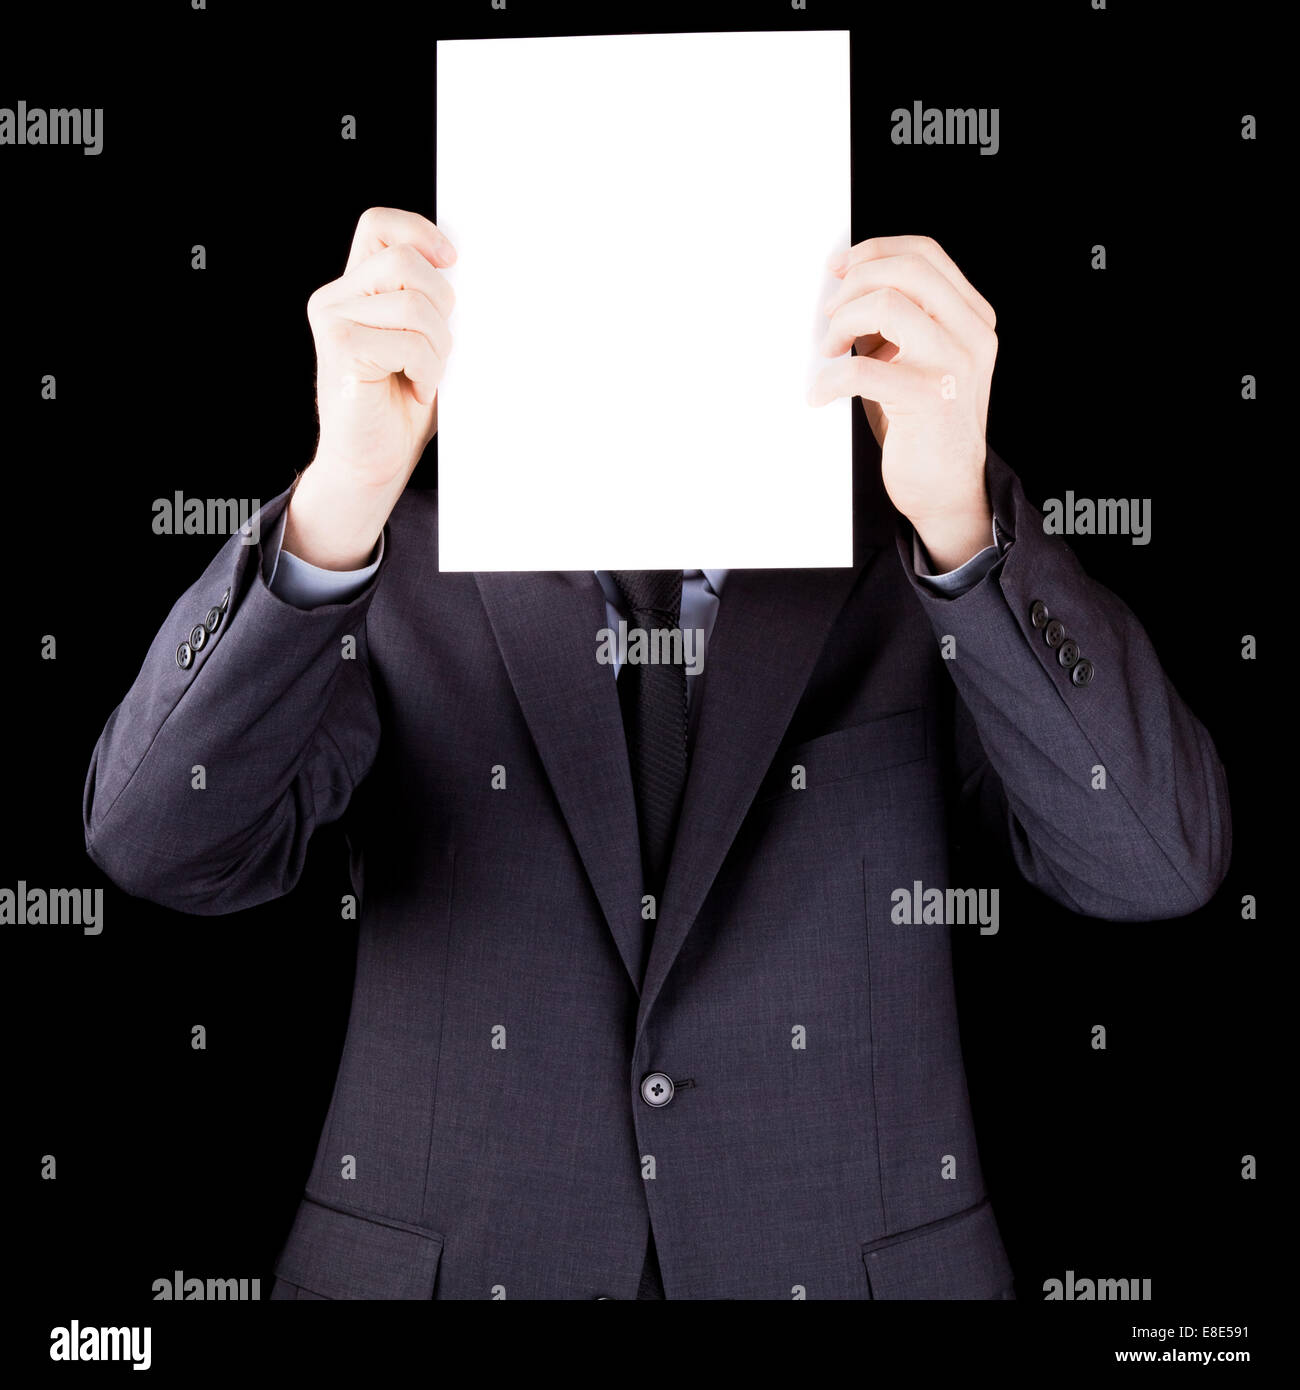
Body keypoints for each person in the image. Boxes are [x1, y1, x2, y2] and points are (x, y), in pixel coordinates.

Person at [82, 207, 1230, 1300]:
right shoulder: (390, 548)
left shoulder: (912, 556)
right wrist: (336, 502)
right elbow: (158, 844)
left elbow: (1152, 865)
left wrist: (964, 524)